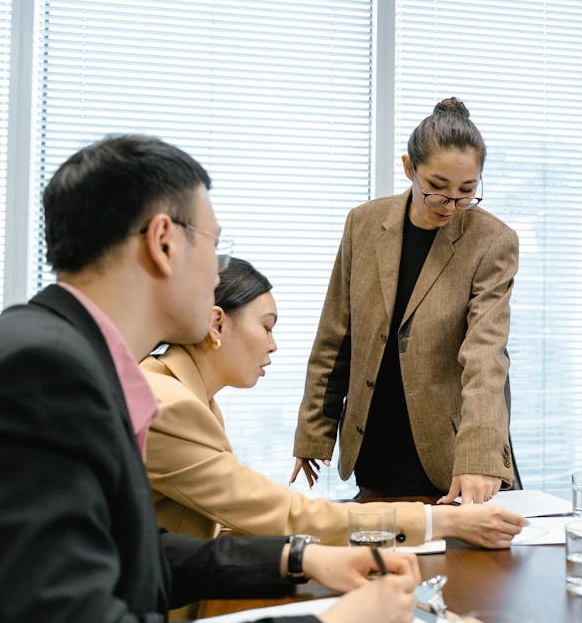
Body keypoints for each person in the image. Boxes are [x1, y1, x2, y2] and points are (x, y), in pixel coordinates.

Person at [0, 134, 420, 623]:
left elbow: (130, 553)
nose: (218, 275)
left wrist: (300, 558)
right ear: (163, 242)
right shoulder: (46, 372)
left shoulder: (69, 355)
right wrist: (334, 621)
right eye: (215, 248)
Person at [141, 257, 526, 550]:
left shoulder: (184, 392)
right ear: (217, 323)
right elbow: (282, 513)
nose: (273, 345)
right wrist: (443, 522)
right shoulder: (169, 405)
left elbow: (233, 514)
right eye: (267, 327)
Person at [291, 97, 520, 504]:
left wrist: (479, 455)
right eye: (437, 189)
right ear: (409, 168)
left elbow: (486, 355)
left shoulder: (492, 241)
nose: (451, 204)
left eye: (466, 191)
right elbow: (335, 337)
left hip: (453, 461)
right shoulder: (363, 225)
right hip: (375, 445)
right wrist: (314, 433)